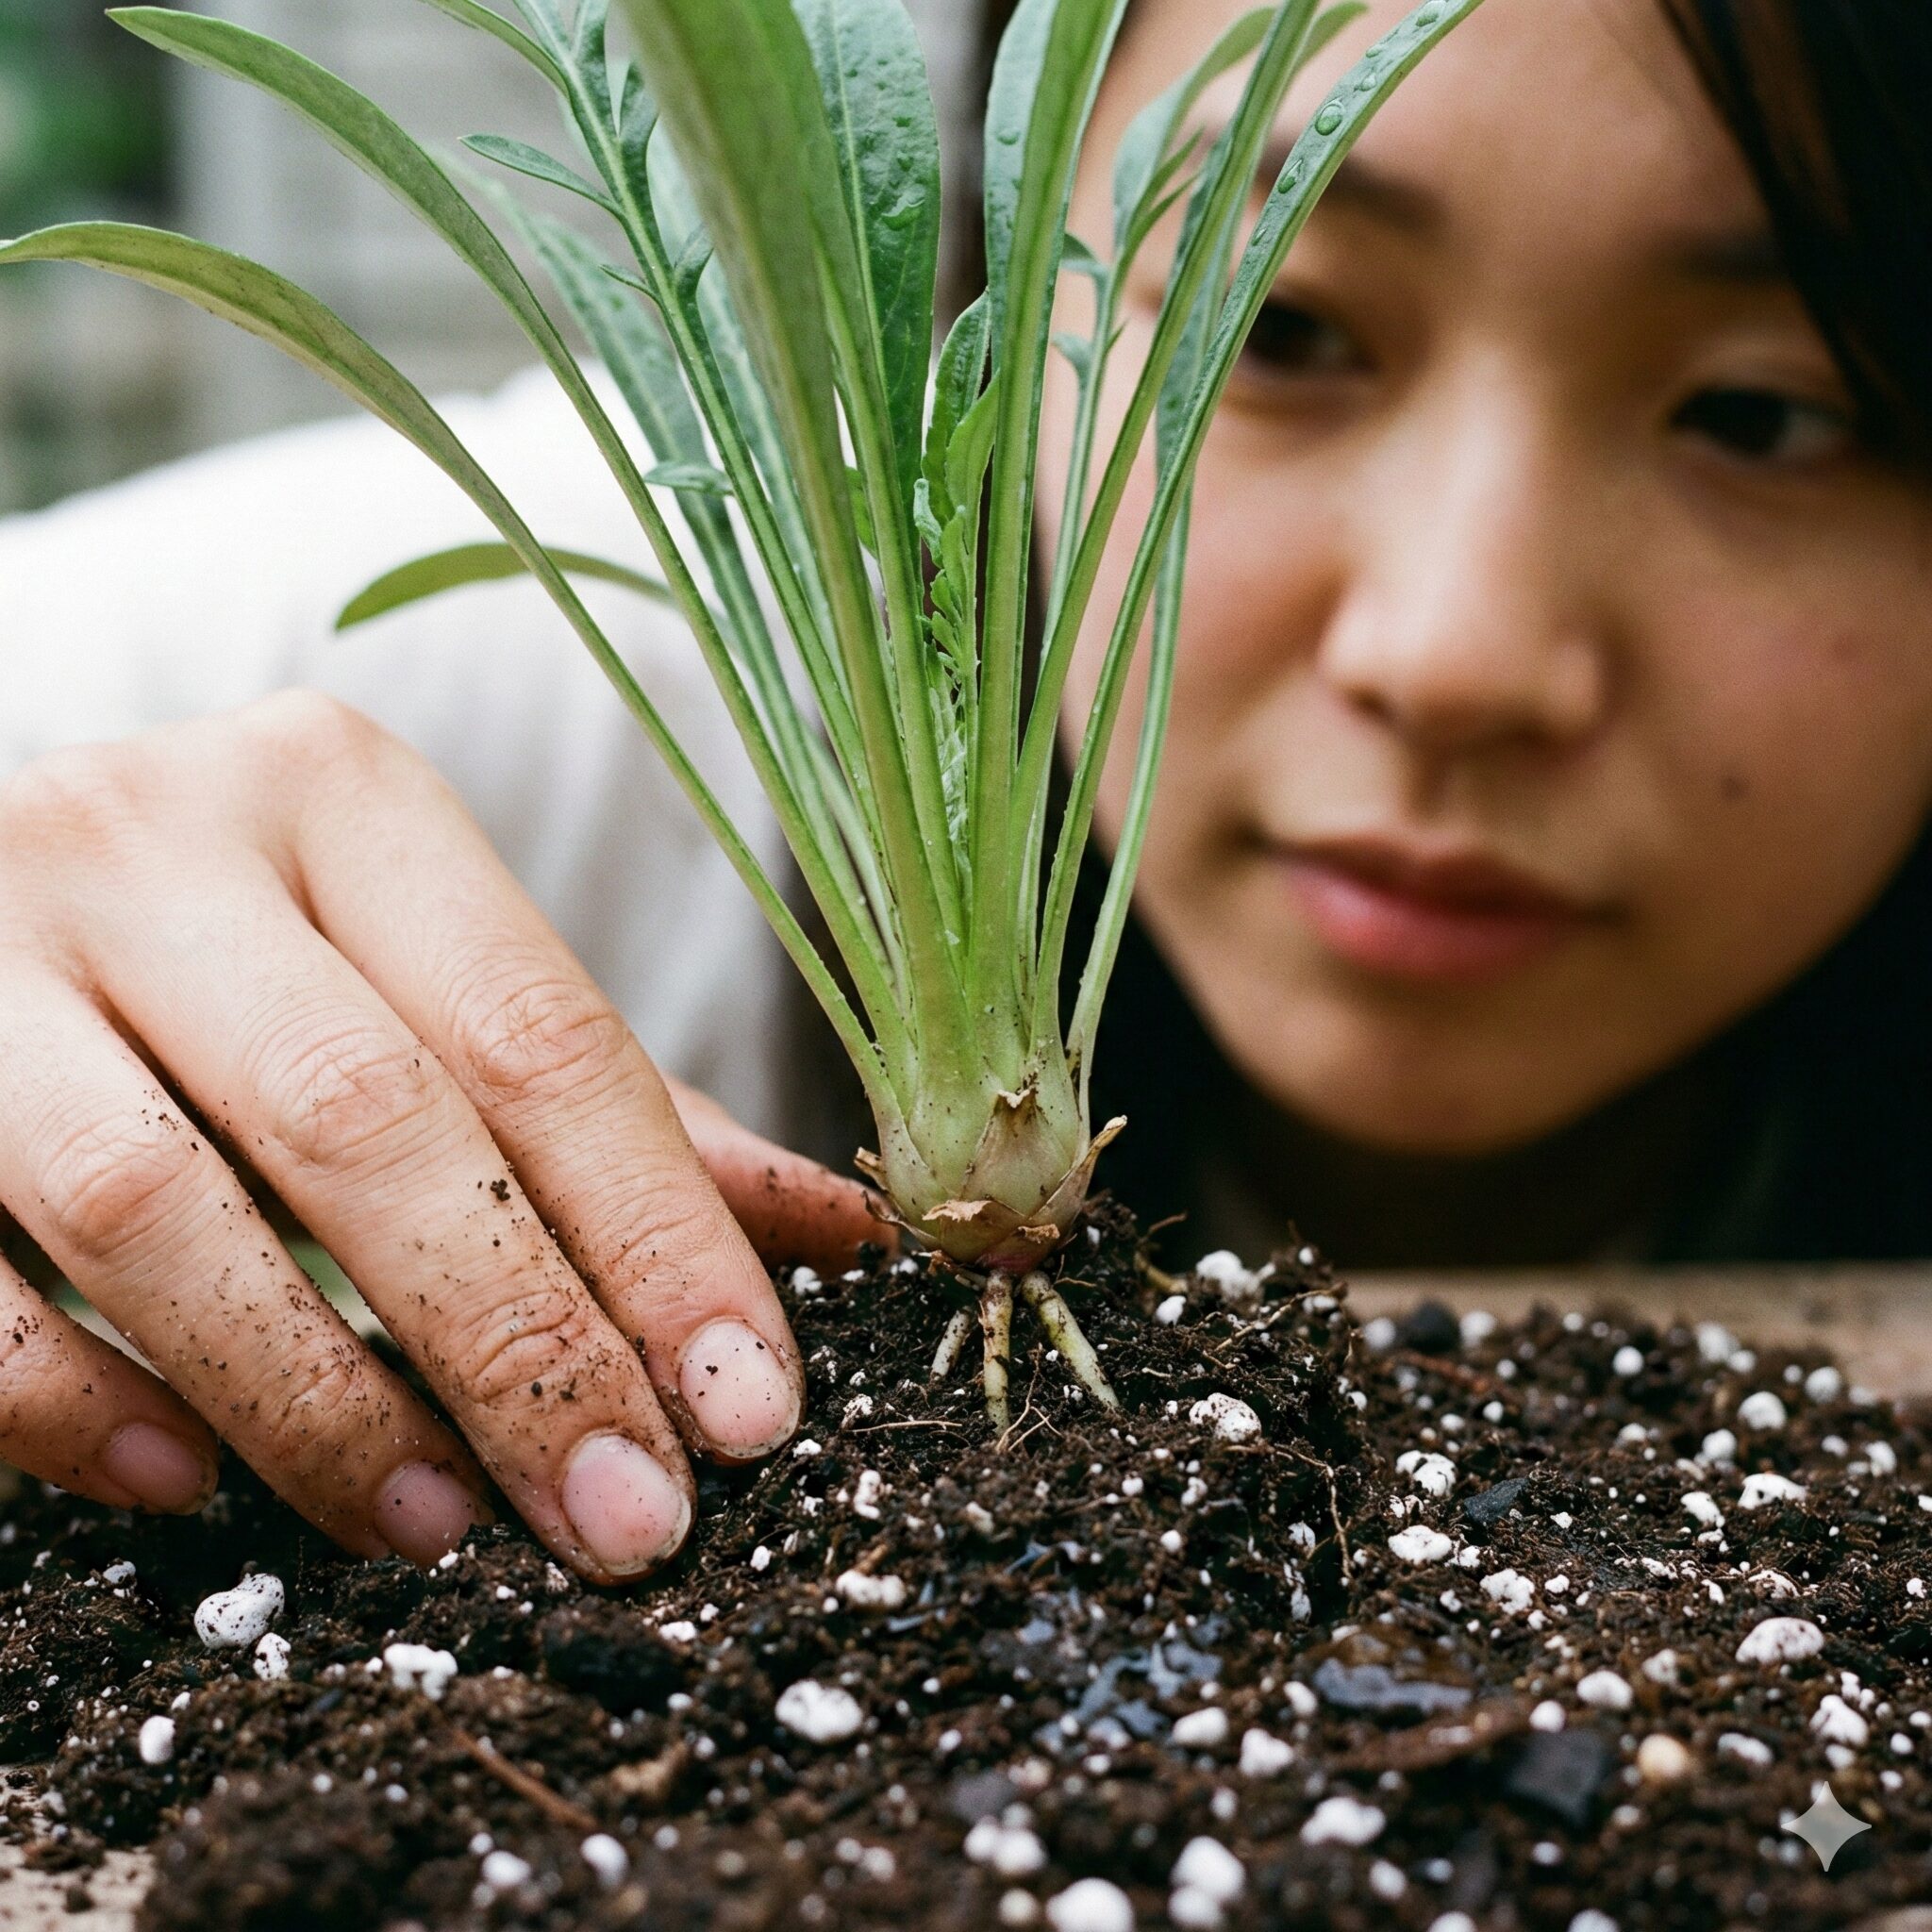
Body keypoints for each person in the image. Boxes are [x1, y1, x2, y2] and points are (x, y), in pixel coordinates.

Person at [0, 0, 1925, 1583]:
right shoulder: (554, 632)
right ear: (993, 314)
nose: (1453, 651)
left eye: (1766, 409)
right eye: (1275, 326)